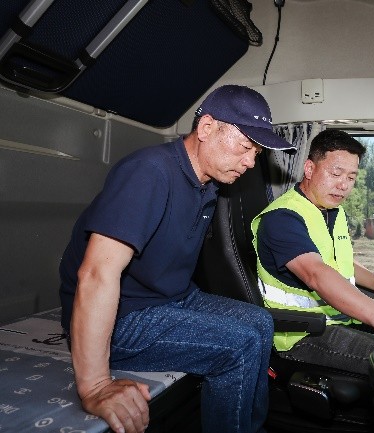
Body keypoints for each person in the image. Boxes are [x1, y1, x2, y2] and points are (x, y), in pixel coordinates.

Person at [59, 85, 295, 433]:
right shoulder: (149, 172)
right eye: (246, 147)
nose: (250, 162)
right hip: (128, 314)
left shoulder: (209, 183)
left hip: (174, 298)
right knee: (239, 344)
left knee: (260, 323)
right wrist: (95, 386)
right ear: (207, 128)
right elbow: (96, 273)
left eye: (256, 153)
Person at [252, 129, 374, 375]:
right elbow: (316, 273)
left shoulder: (329, 211)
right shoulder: (282, 219)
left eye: (351, 177)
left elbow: (341, 263)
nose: (343, 185)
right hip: (302, 333)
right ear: (309, 169)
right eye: (336, 173)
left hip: (334, 315)